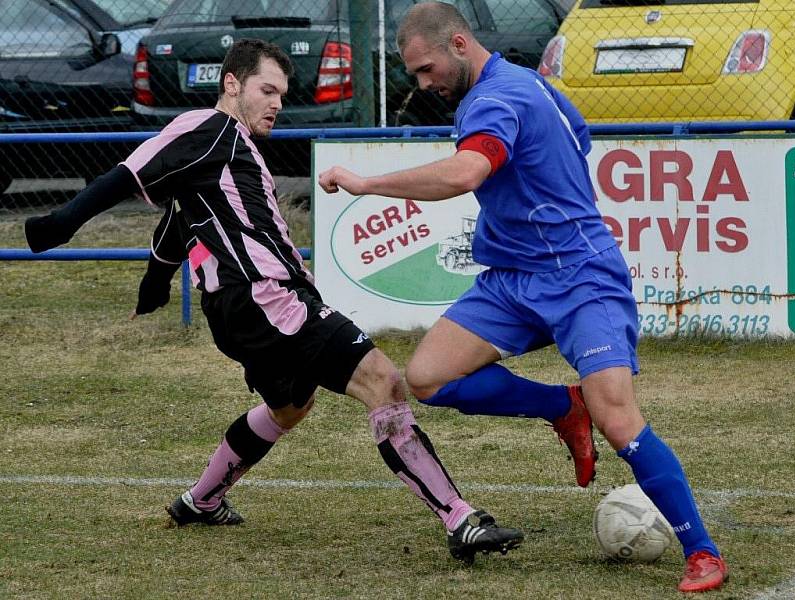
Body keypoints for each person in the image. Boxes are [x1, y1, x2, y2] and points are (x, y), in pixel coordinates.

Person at [23, 38, 524, 565]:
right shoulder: (208, 128)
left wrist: (156, 279)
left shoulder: (227, 150)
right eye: (266, 90)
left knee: (289, 406)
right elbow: (128, 172)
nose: (276, 104)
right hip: (266, 296)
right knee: (384, 380)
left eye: (282, 94)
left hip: (242, 306)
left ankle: (201, 500)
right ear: (231, 84)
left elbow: (178, 217)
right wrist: (56, 227)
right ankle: (459, 519)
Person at [318, 2, 727, 593]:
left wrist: (368, 184)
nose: (423, 84)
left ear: (459, 44)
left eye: (426, 69)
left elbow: (464, 174)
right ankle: (563, 407)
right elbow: (577, 140)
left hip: (580, 275)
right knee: (428, 378)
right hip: (512, 279)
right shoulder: (529, 81)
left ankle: (703, 551)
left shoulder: (493, 100)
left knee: (618, 420)